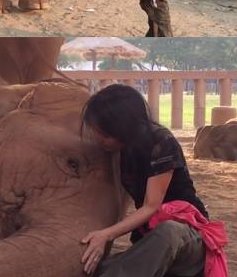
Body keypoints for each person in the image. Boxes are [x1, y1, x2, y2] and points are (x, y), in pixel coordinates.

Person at [80, 84, 207, 277]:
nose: (98, 138)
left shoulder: (161, 143)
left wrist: (106, 234)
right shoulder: (120, 148)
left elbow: (151, 206)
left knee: (168, 231)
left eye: (104, 134)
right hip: (150, 238)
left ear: (122, 128)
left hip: (187, 237)